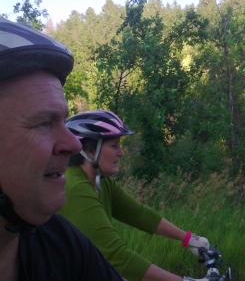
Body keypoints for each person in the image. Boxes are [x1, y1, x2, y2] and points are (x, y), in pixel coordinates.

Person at [0, 17, 124, 280]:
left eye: (63, 121)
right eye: (44, 123)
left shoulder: (62, 243)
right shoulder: (76, 191)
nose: (73, 144)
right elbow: (120, 254)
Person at [58, 111, 218, 281]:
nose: (121, 152)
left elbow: (139, 214)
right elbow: (118, 257)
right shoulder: (75, 188)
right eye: (114, 146)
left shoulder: (101, 181)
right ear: (90, 151)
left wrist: (189, 239)